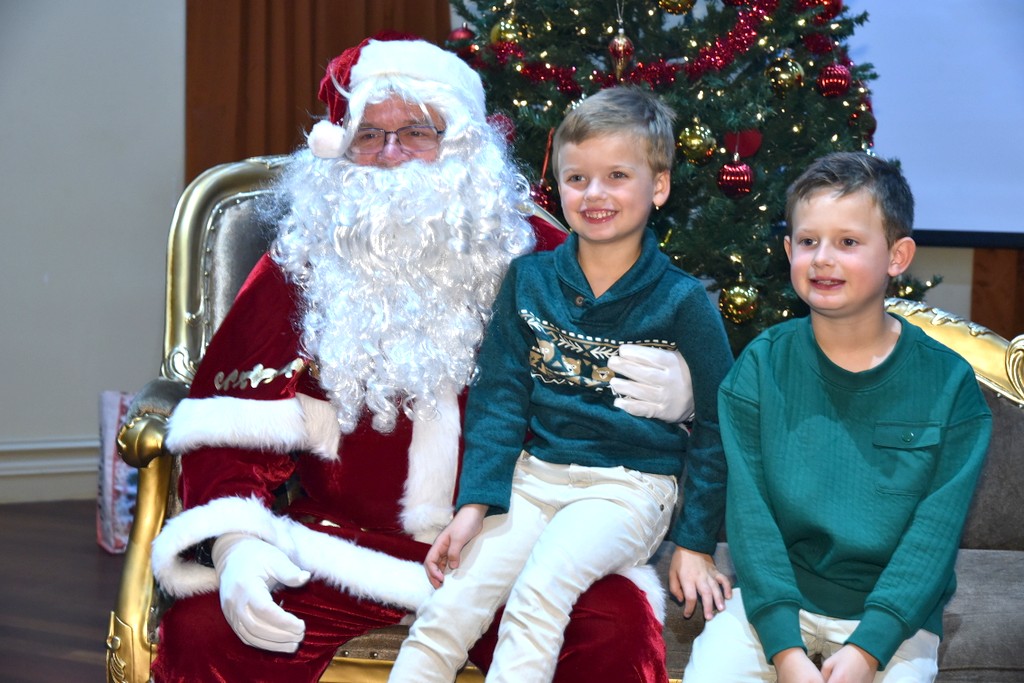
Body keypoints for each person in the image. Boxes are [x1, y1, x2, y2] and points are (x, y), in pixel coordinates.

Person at [147, 33, 696, 683]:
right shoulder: (302, 260)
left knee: (614, 630)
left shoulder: (545, 256)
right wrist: (238, 545)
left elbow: (641, 362)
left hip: (515, 543)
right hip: (335, 546)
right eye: (368, 135)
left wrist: (681, 392)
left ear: (461, 144)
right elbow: (228, 423)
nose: (390, 154)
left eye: (416, 132)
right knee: (203, 632)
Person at [387, 86, 735, 683]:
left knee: (540, 591)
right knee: (451, 604)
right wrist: (475, 505)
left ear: (658, 186)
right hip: (535, 477)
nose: (594, 194)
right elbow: (499, 399)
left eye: (617, 176)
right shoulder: (528, 280)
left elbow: (718, 425)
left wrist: (696, 542)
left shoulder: (682, 302)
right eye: (577, 178)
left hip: (628, 489)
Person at [684, 151, 993, 683]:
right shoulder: (758, 368)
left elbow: (933, 538)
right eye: (808, 241)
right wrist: (785, 652)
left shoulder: (950, 386)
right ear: (788, 250)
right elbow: (752, 522)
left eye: (848, 242)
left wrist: (869, 650)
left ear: (897, 256)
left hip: (894, 620)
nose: (823, 258)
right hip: (774, 601)